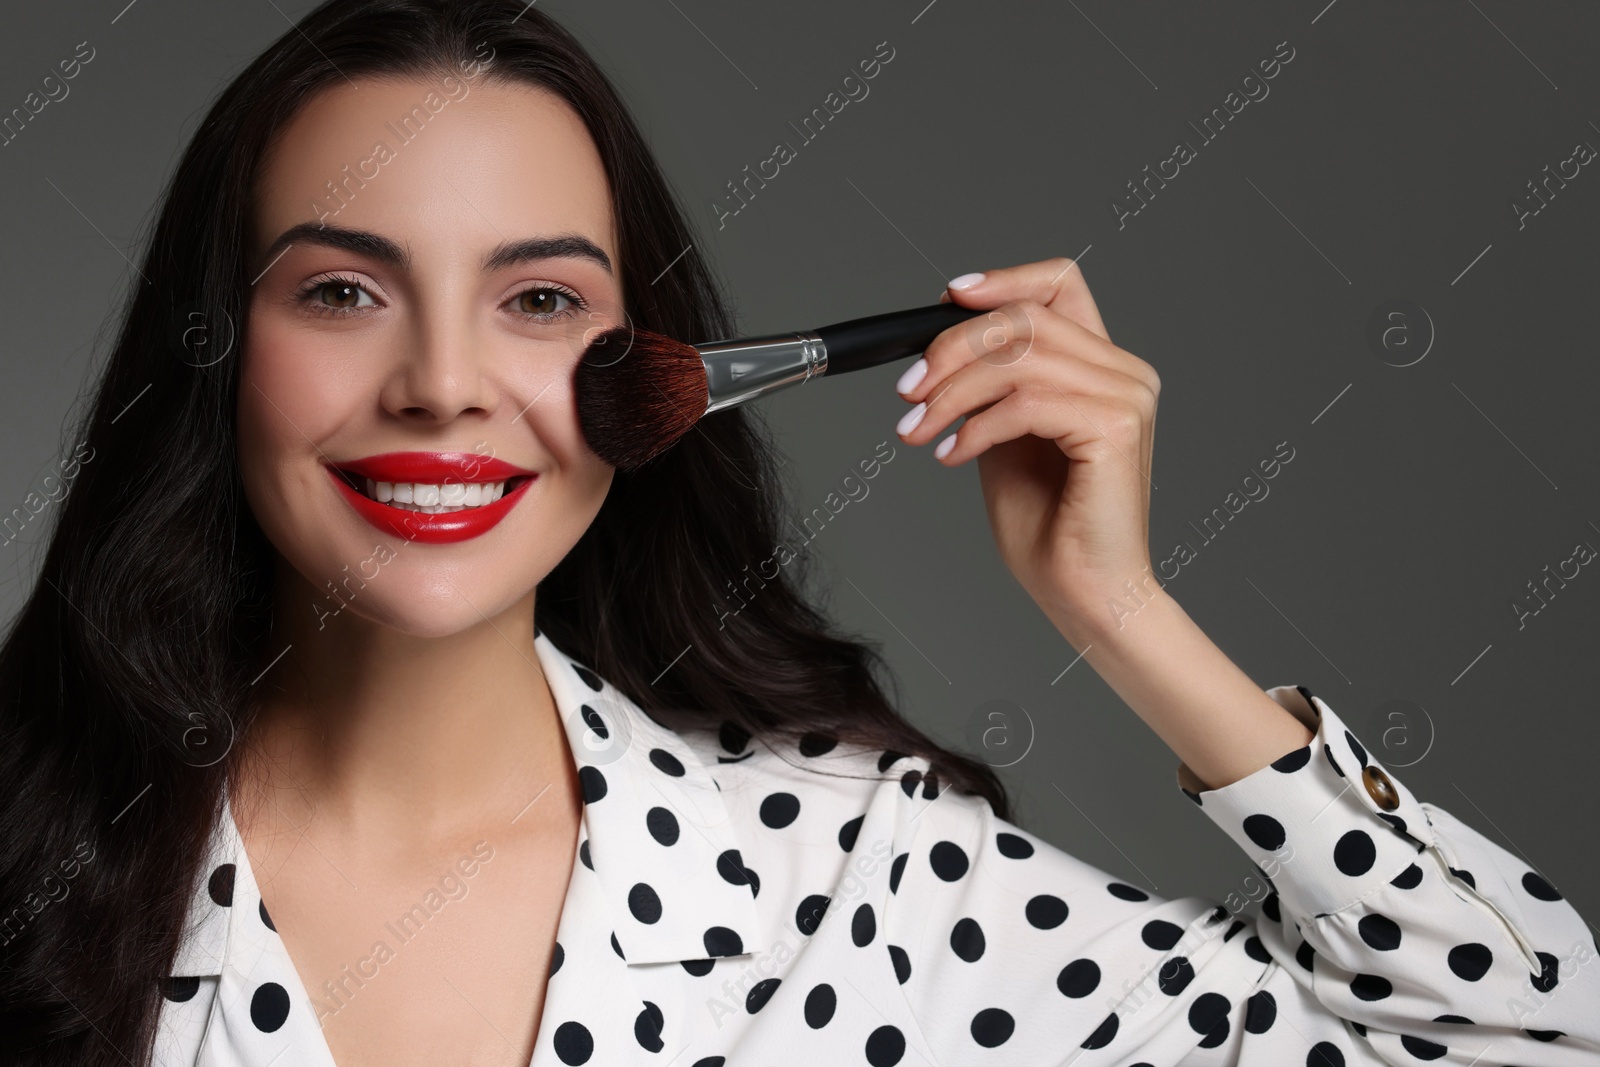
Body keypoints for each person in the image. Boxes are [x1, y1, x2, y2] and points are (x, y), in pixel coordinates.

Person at [1, 1, 1595, 1065]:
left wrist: (1118, 605)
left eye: (541, 300)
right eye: (343, 291)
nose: (439, 386)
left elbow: (1536, 1038)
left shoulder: (856, 882)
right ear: (216, 349)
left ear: (655, 374)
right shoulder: (29, 857)